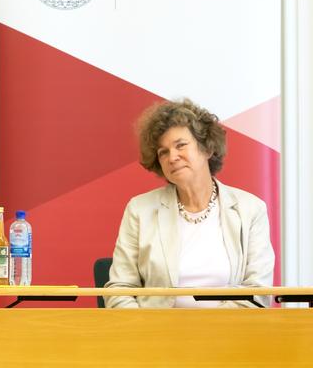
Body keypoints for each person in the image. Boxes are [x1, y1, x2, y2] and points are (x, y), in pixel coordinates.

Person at [105, 99, 274, 308]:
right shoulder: (139, 209)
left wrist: (205, 332)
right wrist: (146, 333)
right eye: (163, 152)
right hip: (156, 336)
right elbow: (119, 290)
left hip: (229, 335)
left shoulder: (251, 209)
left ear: (207, 148)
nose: (172, 157)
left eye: (180, 145)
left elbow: (258, 293)